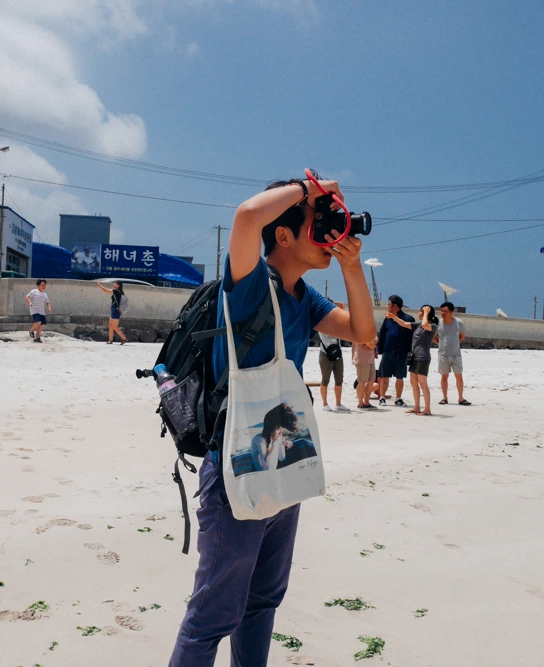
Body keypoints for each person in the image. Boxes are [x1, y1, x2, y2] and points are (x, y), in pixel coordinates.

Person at [169, 173, 375, 666]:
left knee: (262, 602)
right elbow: (246, 217)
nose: (327, 234)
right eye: (318, 224)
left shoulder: (306, 297)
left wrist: (351, 267)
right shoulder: (250, 286)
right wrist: (310, 190)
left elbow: (363, 332)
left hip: (284, 461)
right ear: (283, 234)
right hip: (236, 468)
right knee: (212, 615)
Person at [391, 305, 438, 415]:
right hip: (414, 358)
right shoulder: (418, 325)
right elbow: (404, 324)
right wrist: (394, 317)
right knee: (413, 382)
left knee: (423, 383)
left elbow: (425, 325)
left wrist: (426, 312)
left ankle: (427, 409)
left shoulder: (433, 326)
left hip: (423, 358)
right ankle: (416, 407)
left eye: (421, 311)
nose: (419, 313)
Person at [376, 294, 414, 406]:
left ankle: (398, 398)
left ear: (395, 305)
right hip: (388, 351)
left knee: (400, 377)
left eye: (389, 304)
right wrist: (378, 349)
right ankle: (382, 397)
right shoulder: (387, 319)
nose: (387, 306)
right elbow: (382, 334)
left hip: (401, 353)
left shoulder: (408, 319)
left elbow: (412, 336)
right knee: (384, 376)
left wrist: (410, 351)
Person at [436, 301, 470, 406]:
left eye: (445, 311)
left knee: (459, 376)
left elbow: (462, 336)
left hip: (456, 354)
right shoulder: (438, 323)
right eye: (441, 311)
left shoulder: (458, 322)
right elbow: (434, 337)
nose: (442, 313)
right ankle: (444, 398)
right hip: (443, 354)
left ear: (451, 312)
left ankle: (461, 398)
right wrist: (442, 345)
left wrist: (455, 344)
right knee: (444, 376)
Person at [317, 305, 350, 412]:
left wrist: (342, 311)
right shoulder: (321, 322)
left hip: (337, 352)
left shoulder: (336, 322)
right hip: (325, 353)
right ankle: (324, 403)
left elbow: (345, 324)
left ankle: (338, 403)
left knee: (339, 380)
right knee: (325, 380)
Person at [250, 403, 298, 472]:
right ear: (270, 428)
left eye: (280, 428)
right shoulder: (259, 439)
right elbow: (267, 469)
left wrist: (286, 443)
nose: (280, 432)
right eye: (278, 429)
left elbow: (282, 458)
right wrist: (276, 443)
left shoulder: (274, 437)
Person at [97, 280, 128, 344]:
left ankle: (124, 339)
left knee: (115, 327)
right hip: (114, 309)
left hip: (116, 310)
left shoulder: (116, 291)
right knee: (111, 326)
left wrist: (99, 285)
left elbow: (105, 290)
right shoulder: (120, 292)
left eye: (115, 283)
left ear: (118, 285)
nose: (114, 284)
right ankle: (110, 340)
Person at [352, 336, 378, 409]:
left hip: (371, 358)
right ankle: (360, 403)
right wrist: (371, 344)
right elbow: (369, 344)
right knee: (362, 381)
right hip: (361, 358)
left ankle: (366, 402)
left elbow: (375, 339)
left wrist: (372, 344)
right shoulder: (359, 331)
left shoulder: (370, 331)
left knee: (371, 380)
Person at [25, 279, 51, 344]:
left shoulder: (45, 295)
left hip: (41, 311)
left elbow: (48, 302)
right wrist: (29, 302)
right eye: (42, 285)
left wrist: (49, 308)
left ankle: (37, 337)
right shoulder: (34, 291)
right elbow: (27, 297)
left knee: (42, 325)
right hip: (34, 310)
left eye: (45, 285)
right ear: (38, 285)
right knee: (38, 322)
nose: (44, 286)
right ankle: (31, 331)